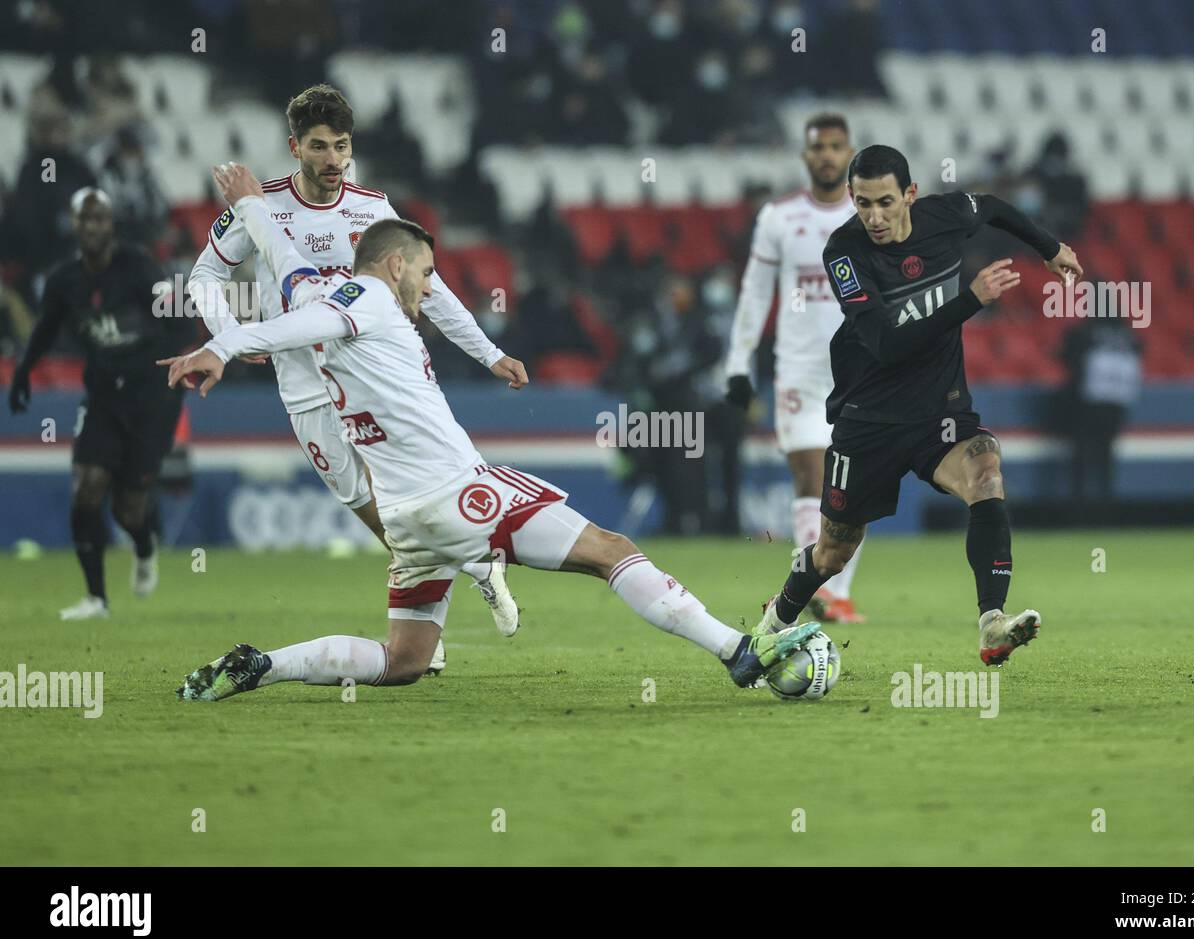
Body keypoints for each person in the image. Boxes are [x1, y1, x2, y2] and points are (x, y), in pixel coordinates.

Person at [162, 164, 823, 700]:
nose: (427, 289)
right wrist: (226, 346)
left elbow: (286, 269)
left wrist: (251, 212)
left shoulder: (317, 294)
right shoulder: (366, 299)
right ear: (394, 266)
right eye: (423, 274)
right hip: (456, 493)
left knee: (404, 661)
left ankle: (265, 665)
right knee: (610, 550)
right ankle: (738, 651)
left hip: (403, 519)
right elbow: (295, 325)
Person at [185, 84, 527, 672]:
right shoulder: (261, 206)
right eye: (318, 147)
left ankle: (436, 613)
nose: (332, 160)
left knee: (414, 493)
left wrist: (488, 354)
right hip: (304, 386)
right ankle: (469, 569)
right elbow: (204, 274)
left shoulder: (372, 208)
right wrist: (225, 332)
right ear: (294, 148)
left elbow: (430, 287)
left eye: (341, 146)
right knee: (371, 507)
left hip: (374, 381)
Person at [750, 145, 1083, 665]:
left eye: (885, 202)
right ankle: (772, 625)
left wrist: (1048, 245)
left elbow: (992, 204)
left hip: (938, 414)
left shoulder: (944, 217)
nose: (874, 217)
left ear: (910, 194)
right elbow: (886, 344)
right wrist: (970, 299)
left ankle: (992, 622)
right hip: (869, 419)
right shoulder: (844, 253)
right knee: (833, 552)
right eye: (862, 204)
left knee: (986, 472)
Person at [7, 188, 191, 619]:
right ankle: (96, 599)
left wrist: (177, 364)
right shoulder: (64, 280)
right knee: (86, 489)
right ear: (75, 225)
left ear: (111, 224)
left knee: (128, 507)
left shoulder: (140, 269)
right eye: (84, 219)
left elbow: (180, 320)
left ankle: (144, 546)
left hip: (152, 397)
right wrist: (22, 372)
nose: (92, 227)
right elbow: (46, 329)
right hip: (105, 396)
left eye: (99, 218)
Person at [724, 113, 863, 622]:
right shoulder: (779, 217)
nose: (826, 154)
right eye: (817, 147)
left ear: (849, 151)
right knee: (812, 474)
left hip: (861, 371)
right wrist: (738, 365)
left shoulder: (871, 216)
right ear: (805, 156)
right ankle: (818, 589)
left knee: (853, 485)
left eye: (835, 145)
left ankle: (839, 593)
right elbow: (756, 293)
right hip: (800, 370)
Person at [1060, 312, 1142, 506]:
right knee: (1106, 454)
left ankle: (1079, 505)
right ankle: (1106, 504)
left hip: (1088, 400)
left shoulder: (1085, 331)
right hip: (1117, 400)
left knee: (1082, 453)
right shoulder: (1127, 334)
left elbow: (1068, 356)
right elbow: (1138, 354)